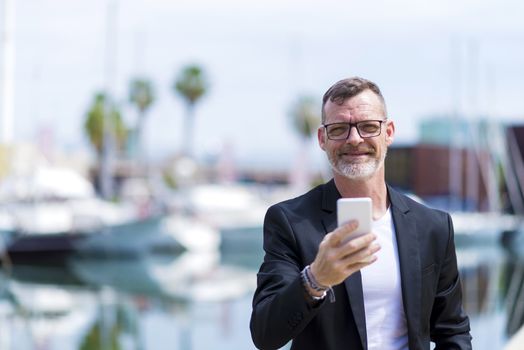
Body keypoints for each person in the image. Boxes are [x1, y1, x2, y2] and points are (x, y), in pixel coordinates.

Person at [250, 77, 472, 350]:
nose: (354, 139)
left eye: (368, 127)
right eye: (339, 128)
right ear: (322, 138)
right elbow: (265, 335)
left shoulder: (433, 226)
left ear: (388, 133)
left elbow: (453, 332)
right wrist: (314, 280)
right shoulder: (289, 221)